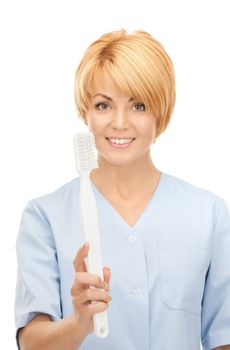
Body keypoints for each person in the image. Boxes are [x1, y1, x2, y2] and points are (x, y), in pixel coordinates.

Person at [14, 29, 230, 350]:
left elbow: (222, 338)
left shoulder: (209, 214)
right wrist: (79, 323)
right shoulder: (45, 216)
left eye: (138, 105)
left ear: (161, 111)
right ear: (85, 111)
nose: (118, 122)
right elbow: (31, 342)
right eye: (103, 105)